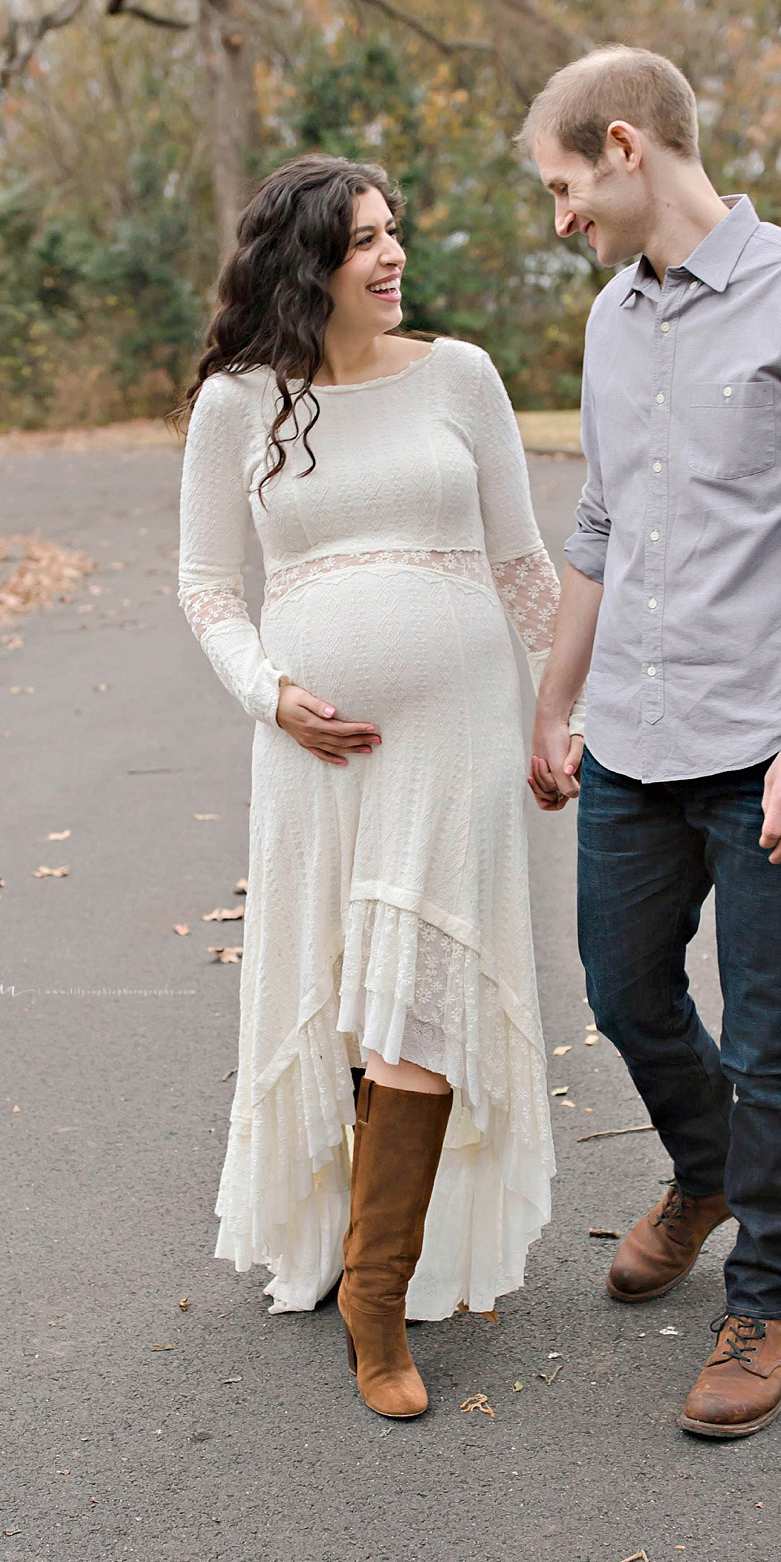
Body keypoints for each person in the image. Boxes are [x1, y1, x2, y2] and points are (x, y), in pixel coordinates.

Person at [524, 47, 781, 1440]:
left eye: (567, 188)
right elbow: (602, 526)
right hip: (631, 733)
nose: (561, 220)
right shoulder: (613, 324)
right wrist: (552, 702)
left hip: (766, 745)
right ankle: (706, 1169)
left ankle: (768, 1299)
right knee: (624, 991)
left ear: (626, 147)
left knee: (771, 1034)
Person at [175, 155, 584, 1421]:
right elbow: (204, 584)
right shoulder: (238, 404)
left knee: (423, 996)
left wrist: (561, 709)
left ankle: (377, 1291)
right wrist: (269, 693)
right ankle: (351, 1242)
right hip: (315, 749)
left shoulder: (462, 377)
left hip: (457, 731)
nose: (393, 254)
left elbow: (521, 563)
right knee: (343, 994)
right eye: (364, 240)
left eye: (395, 230)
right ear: (308, 267)